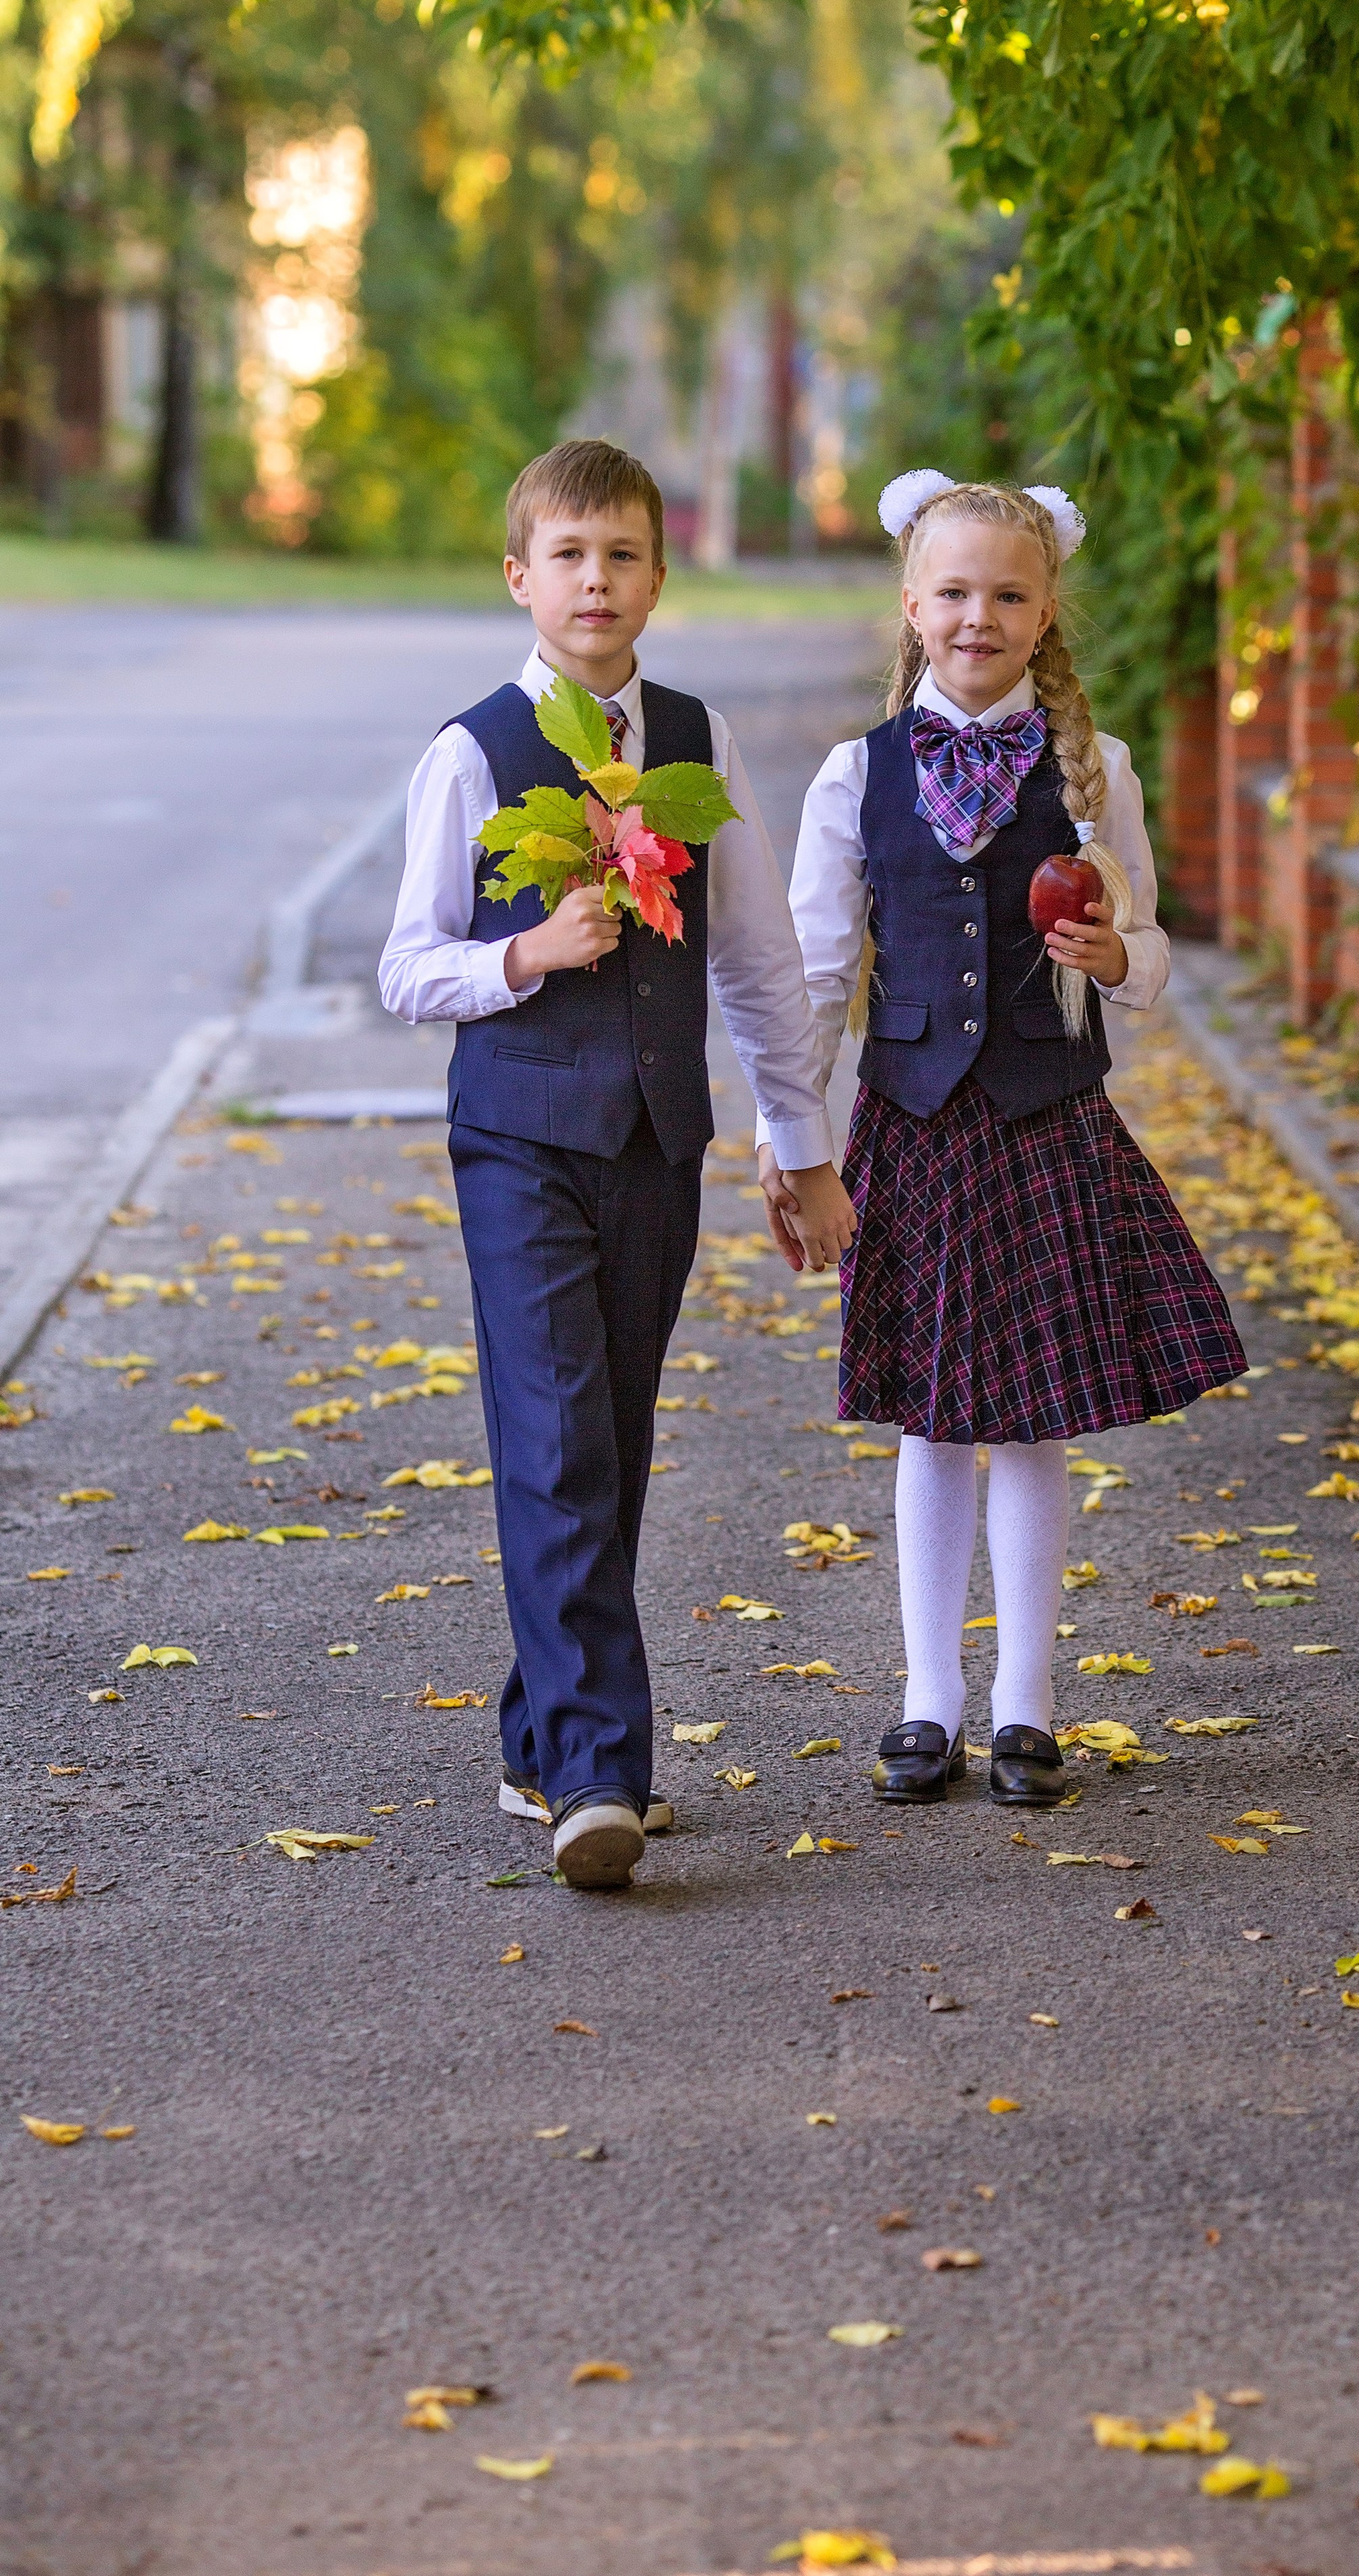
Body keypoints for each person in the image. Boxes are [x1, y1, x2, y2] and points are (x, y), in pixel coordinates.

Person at [380, 438, 856, 1889]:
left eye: (623, 554)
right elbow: (407, 968)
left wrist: (804, 1147)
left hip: (655, 1143)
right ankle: (601, 1775)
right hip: (520, 1138)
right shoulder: (473, 753)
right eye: (568, 555)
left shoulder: (695, 752)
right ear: (520, 577)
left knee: (610, 1446)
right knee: (562, 1438)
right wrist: (523, 953)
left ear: (659, 573)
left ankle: (535, 1737)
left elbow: (765, 966)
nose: (597, 580)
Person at [759, 471, 1245, 1809]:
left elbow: (1150, 963)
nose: (980, 615)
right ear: (914, 606)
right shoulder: (856, 774)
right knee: (931, 1422)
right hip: (910, 1128)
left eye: (1009, 594)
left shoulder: (1100, 775)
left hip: (1046, 1120)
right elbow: (808, 970)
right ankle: (928, 1703)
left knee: (1035, 1427)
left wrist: (1115, 950)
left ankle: (1027, 1706)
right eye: (956, 591)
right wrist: (788, 1138)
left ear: (1045, 613)